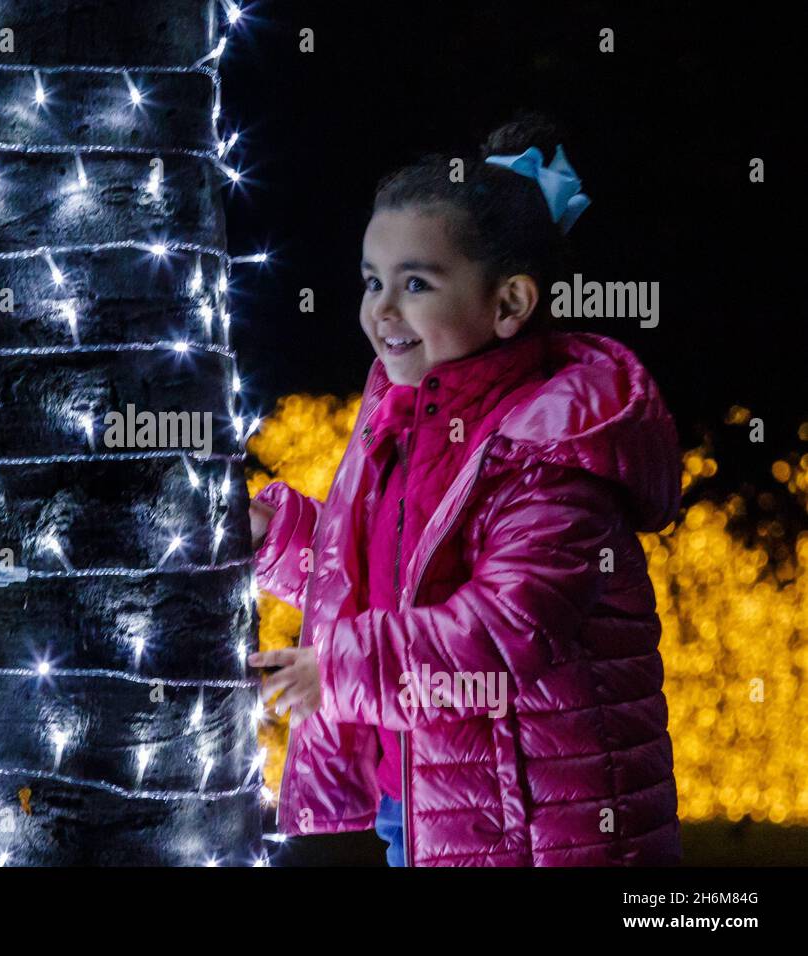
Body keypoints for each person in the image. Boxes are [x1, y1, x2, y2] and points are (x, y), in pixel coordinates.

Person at [247, 115, 683, 866]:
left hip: (544, 830)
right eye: (372, 281)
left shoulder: (553, 453)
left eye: (415, 283)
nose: (381, 309)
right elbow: (383, 575)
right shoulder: (403, 422)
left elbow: (505, 630)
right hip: (422, 801)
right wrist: (275, 537)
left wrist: (342, 671)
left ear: (509, 304)